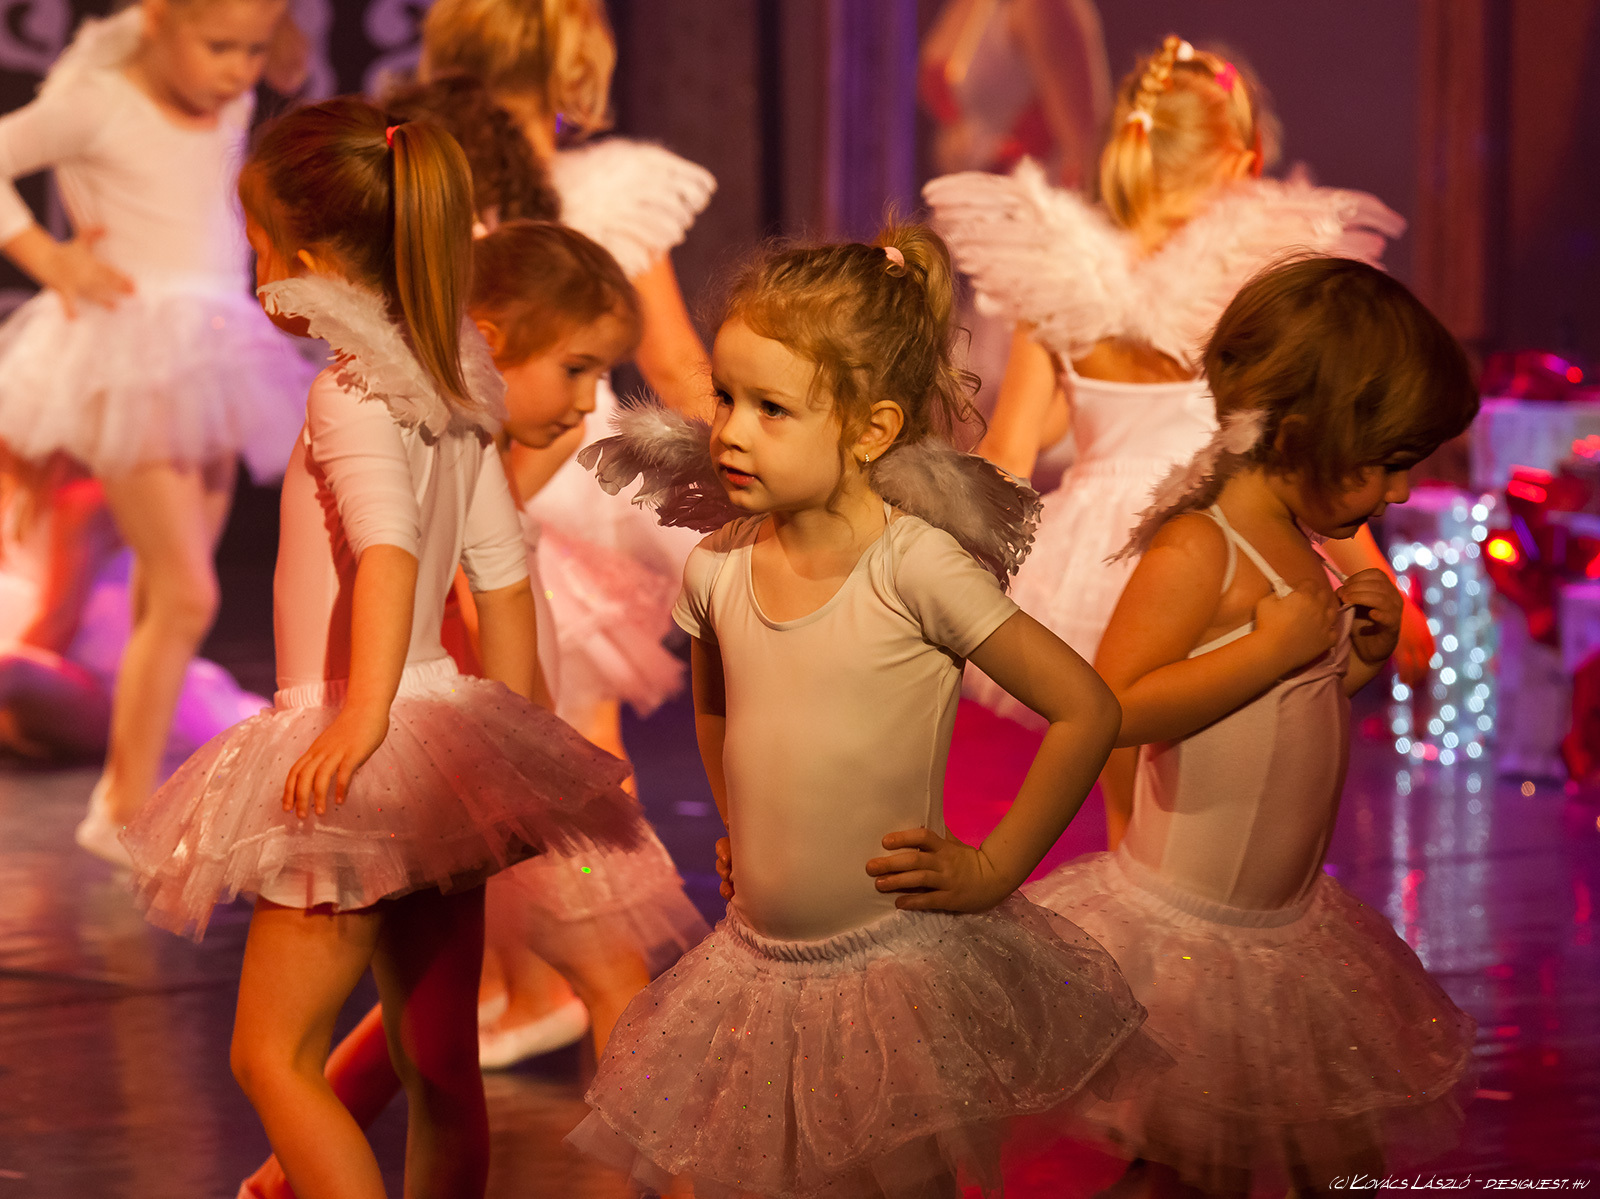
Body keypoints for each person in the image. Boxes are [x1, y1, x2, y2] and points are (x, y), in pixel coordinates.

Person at [566, 223, 1165, 1199]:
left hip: (892, 967)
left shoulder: (912, 564)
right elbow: (718, 706)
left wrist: (993, 866)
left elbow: (1085, 709)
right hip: (758, 965)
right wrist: (737, 820)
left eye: (772, 409)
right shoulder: (717, 565)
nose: (730, 430)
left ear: (872, 429)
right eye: (725, 398)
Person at [120, 100, 642, 1199]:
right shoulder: (455, 384)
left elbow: (391, 552)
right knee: (439, 1062)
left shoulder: (350, 391)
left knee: (270, 1054)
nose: (257, 270)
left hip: (362, 740)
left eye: (258, 244)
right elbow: (501, 570)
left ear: (306, 261)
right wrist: (511, 732)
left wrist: (360, 719)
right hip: (445, 743)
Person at [236, 221, 711, 1199]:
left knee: (412, 1034)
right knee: (479, 1026)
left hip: (464, 762)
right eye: (576, 370)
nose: (588, 401)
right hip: (457, 762)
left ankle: (289, 1175)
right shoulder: (443, 427)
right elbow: (460, 579)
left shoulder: (425, 420)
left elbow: (477, 576)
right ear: (489, 339)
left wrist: (508, 752)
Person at [1029, 257, 1479, 1195]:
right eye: (1387, 462)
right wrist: (1268, 650)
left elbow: (1289, 708)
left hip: (1285, 930)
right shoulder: (1200, 544)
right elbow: (1110, 706)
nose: (1400, 491)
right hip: (1196, 940)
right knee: (1190, 1169)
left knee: (1325, 1159)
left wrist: (1354, 657)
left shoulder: (1300, 544)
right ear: (1308, 436)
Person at [925, 33, 1425, 847]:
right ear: (1243, 158)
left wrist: (942, 577)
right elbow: (1289, 460)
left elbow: (1010, 454)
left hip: (1093, 561)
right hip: (1226, 546)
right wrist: (1377, 576)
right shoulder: (1252, 282)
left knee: (1131, 818)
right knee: (1227, 808)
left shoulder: (1063, 281)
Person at [0, 0, 315, 863]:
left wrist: (271, 40)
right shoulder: (98, 100)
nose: (237, 70)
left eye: (251, 50)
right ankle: (118, 804)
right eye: (217, 47)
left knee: (166, 595)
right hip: (131, 356)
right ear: (156, 22)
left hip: (216, 352)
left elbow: (275, 72)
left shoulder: (233, 99)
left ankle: (130, 796)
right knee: (187, 594)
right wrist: (49, 258)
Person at [419, 0, 714, 772]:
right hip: (568, 474)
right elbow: (671, 362)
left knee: (480, 736)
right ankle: (592, 859)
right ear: (575, 61)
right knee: (577, 736)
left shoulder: (426, 192)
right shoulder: (608, 192)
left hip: (454, 474)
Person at [0, 448, 263, 762]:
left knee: (8, 668)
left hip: (104, 685)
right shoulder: (19, 495)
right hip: (53, 666)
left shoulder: (85, 500)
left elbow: (60, 619)